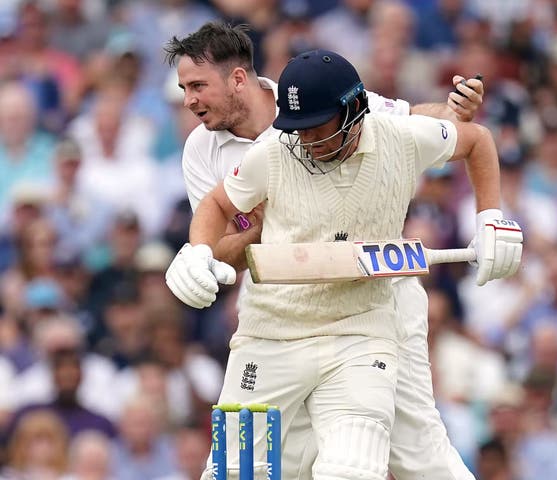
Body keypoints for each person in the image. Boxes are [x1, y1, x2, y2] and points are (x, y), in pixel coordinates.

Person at [162, 22, 516, 480]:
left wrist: (488, 208)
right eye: (183, 89)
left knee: (400, 457)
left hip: (373, 303)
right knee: (243, 468)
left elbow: (422, 122)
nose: (189, 100)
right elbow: (218, 227)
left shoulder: (328, 96)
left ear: (237, 79)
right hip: (278, 314)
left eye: (197, 86)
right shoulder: (238, 152)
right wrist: (202, 253)